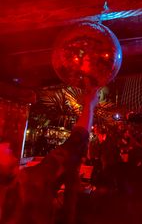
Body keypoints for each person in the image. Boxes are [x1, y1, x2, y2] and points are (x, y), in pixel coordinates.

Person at [0, 90, 98, 224]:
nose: (6, 144)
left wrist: (89, 104)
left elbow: (72, 146)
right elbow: (72, 145)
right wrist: (90, 104)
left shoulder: (21, 186)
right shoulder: (24, 187)